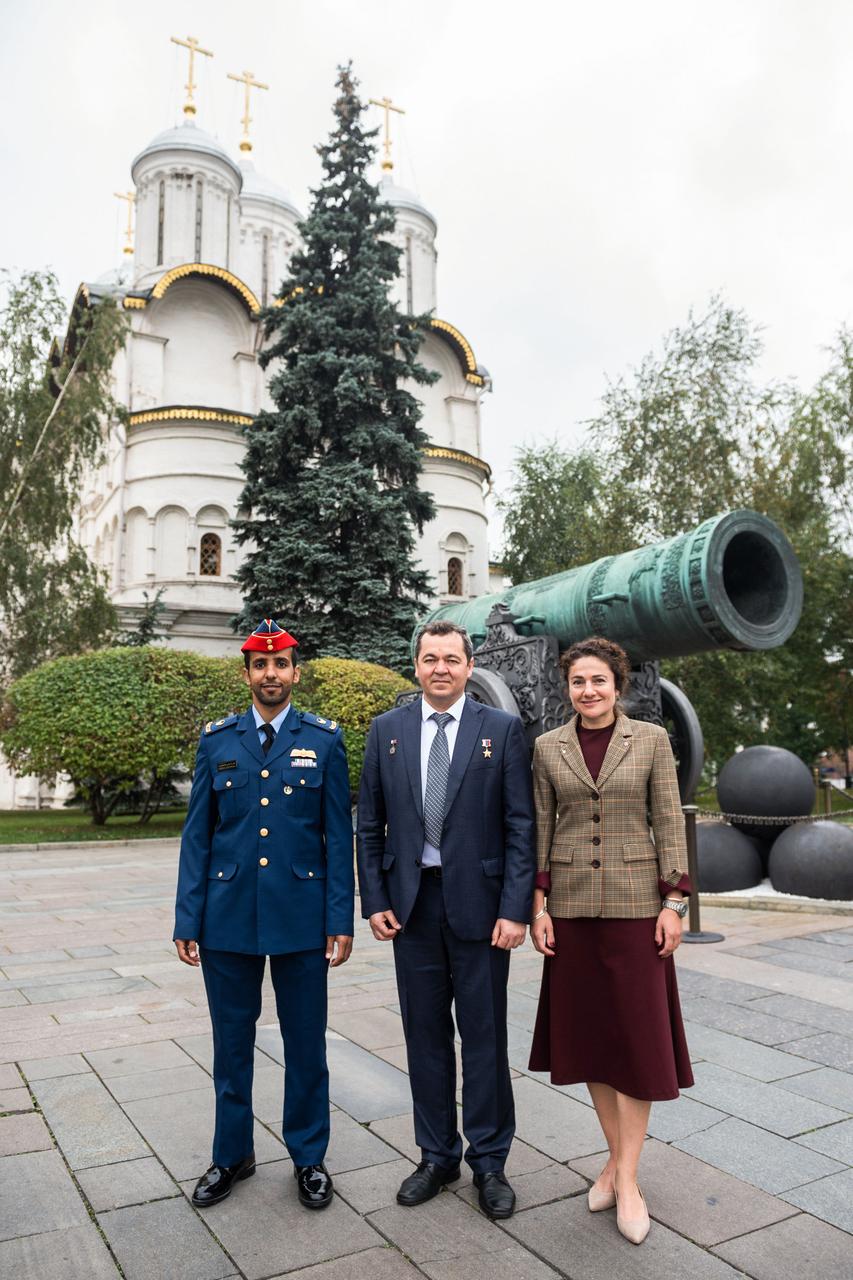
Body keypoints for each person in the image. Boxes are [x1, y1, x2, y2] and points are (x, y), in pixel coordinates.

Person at [173, 618, 354, 1211]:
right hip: (227, 916)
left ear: (295, 672)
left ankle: (309, 1157)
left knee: (306, 1044)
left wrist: (339, 919)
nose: (270, 674)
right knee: (231, 1043)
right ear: (247, 673)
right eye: (260, 664)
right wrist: (187, 919)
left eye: (280, 664)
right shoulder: (217, 741)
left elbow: (336, 836)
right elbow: (198, 836)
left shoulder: (324, 740)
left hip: (302, 915)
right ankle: (232, 1155)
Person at [357, 621, 535, 1218]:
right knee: (424, 1037)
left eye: (451, 659)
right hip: (412, 909)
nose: (441, 668)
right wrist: (375, 899)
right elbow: (369, 825)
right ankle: (436, 1155)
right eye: (430, 658)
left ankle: (490, 1162)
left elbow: (520, 827)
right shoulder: (387, 732)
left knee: (484, 1038)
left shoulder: (503, 731)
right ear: (416, 666)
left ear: (468, 665)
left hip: (483, 913)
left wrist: (516, 909)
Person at [528, 636, 692, 1246]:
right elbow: (543, 827)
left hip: (634, 910)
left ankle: (627, 1179)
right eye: (577, 682)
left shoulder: (650, 739)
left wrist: (674, 902)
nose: (588, 691)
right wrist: (538, 907)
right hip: (570, 910)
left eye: (598, 680)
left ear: (617, 686)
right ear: (566, 688)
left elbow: (669, 820)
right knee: (592, 1042)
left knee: (636, 1043)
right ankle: (617, 1164)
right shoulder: (546, 747)